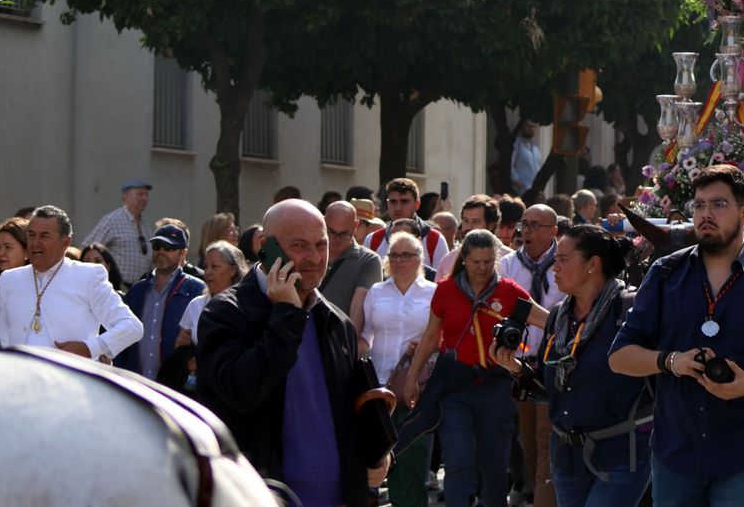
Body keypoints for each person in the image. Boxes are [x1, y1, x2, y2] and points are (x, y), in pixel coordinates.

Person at [609, 164, 744, 507]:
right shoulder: (665, 274)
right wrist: (671, 361)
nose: (705, 214)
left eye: (718, 205)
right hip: (675, 453)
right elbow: (619, 357)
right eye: (699, 205)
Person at [196, 198, 389, 507]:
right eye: (299, 245)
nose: (314, 257)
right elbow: (244, 392)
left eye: (321, 244)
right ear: (264, 246)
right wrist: (287, 313)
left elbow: (348, 408)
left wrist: (376, 451)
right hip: (260, 497)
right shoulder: (225, 313)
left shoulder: (335, 321)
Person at [514, 223, 654, 507]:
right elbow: (549, 387)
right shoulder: (558, 316)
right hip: (568, 455)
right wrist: (516, 369)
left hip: (621, 454)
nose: (555, 266)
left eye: (563, 259)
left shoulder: (631, 310)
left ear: (593, 264)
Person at [402, 229, 529, 507]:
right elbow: (431, 337)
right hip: (454, 386)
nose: (482, 268)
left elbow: (546, 319)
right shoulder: (446, 290)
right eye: (475, 262)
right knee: (458, 463)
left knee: (494, 467)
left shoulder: (509, 291)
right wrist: (412, 378)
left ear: (495, 260)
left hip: (495, 387)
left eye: (487, 262)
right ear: (465, 259)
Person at [0, 205, 142, 357]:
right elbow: (3, 337)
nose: (35, 243)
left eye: (44, 236)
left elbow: (131, 326)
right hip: (23, 377)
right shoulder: (9, 279)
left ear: (65, 243)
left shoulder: (88, 276)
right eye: (31, 235)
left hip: (70, 377)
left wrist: (91, 348)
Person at [360, 231, 435, 507]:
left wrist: (427, 345)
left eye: (407, 255)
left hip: (416, 388)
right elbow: (366, 336)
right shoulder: (376, 292)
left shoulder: (434, 292)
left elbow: (444, 338)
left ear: (420, 259)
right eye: (394, 255)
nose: (400, 260)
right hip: (379, 389)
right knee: (376, 462)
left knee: (412, 462)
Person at [500, 203, 563, 507]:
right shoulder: (508, 265)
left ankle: (544, 497)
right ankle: (533, 489)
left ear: (554, 231)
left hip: (556, 365)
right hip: (519, 364)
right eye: (525, 224)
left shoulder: (566, 263)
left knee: (546, 439)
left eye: (536, 225)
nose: (528, 230)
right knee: (527, 439)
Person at [116, 223, 206, 383]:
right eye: (157, 246)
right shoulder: (137, 290)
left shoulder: (196, 290)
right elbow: (122, 334)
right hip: (136, 383)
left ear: (182, 253)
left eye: (169, 247)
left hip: (175, 386)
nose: (161, 251)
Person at [177, 239, 249, 350]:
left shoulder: (247, 304)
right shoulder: (196, 305)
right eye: (206, 266)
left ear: (233, 270)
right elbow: (181, 346)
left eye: (214, 266)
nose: (208, 272)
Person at [81, 179, 154, 283]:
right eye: (140, 194)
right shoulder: (112, 221)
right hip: (117, 287)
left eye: (146, 195)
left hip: (139, 291)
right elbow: (86, 249)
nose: (144, 198)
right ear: (125, 196)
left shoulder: (146, 226)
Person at [319, 201, 383, 318]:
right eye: (331, 232)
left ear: (355, 226)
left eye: (344, 234)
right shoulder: (311, 254)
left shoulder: (368, 260)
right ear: (323, 222)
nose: (337, 239)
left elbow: (358, 308)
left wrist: (352, 336)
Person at [367, 178, 448, 268]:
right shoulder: (372, 240)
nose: (398, 208)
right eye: (393, 201)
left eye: (404, 202)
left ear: (417, 204)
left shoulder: (435, 240)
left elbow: (441, 279)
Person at [435, 195, 511, 277]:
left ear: (491, 225)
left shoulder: (508, 260)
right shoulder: (449, 260)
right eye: (465, 221)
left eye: (475, 221)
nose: (469, 227)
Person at [512, 119, 545, 198]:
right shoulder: (516, 143)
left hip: (534, 191)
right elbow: (510, 165)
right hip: (520, 191)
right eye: (527, 126)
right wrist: (517, 182)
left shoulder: (535, 146)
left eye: (533, 126)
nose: (530, 129)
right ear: (522, 127)